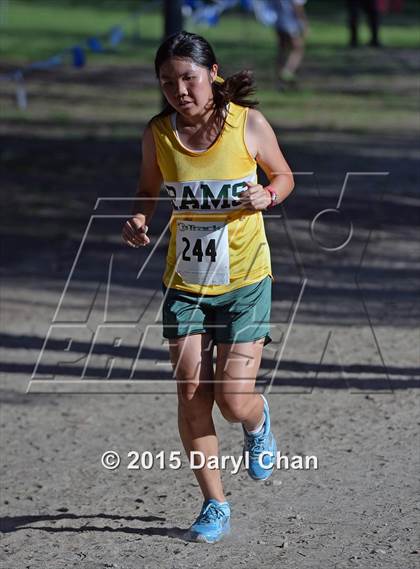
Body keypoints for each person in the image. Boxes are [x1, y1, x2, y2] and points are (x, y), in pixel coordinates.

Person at [122, 31, 294, 543]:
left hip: (245, 282)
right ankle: (214, 503)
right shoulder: (159, 133)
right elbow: (148, 189)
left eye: (189, 78)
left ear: (212, 73)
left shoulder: (248, 124)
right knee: (192, 395)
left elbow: (283, 176)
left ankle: (258, 421)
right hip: (186, 284)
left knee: (233, 400)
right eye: (168, 81)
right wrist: (138, 217)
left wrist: (267, 194)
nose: (180, 90)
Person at [272, 0, 308, 87]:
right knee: (298, 49)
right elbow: (298, 7)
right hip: (291, 24)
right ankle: (287, 72)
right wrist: (304, 23)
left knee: (282, 50)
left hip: (279, 21)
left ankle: (279, 79)